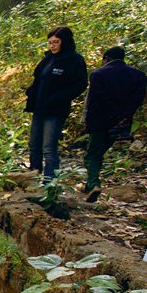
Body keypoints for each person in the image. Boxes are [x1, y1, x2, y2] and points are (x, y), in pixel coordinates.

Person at [82, 46, 147, 202]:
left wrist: (87, 122)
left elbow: (96, 99)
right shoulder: (138, 75)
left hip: (101, 120)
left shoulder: (98, 74)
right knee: (98, 152)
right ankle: (89, 184)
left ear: (106, 59)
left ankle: (93, 183)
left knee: (92, 154)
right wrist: (124, 116)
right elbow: (138, 98)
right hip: (122, 123)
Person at [24, 26, 88, 185]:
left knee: (49, 147)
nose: (52, 46)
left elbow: (80, 84)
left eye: (56, 42)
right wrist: (31, 94)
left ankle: (49, 182)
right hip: (39, 108)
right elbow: (38, 79)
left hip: (56, 110)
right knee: (34, 144)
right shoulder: (47, 59)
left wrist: (60, 98)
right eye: (50, 42)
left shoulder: (74, 60)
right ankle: (33, 175)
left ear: (64, 42)